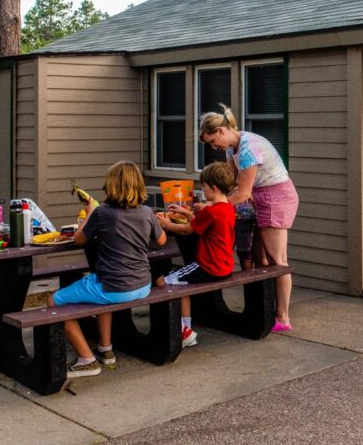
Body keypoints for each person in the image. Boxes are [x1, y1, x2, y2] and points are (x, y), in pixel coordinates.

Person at [48, 161, 166, 379]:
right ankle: (105, 349)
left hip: (115, 287)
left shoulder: (102, 213)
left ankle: (87, 360)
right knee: (101, 290)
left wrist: (89, 212)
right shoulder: (147, 212)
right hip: (142, 285)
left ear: (111, 186)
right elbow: (161, 239)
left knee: (54, 303)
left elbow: (78, 240)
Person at [199, 104, 298, 332]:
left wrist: (211, 205)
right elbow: (230, 184)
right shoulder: (232, 149)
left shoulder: (248, 149)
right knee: (259, 258)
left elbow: (242, 193)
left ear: (221, 131)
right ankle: (263, 311)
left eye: (213, 141)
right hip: (260, 198)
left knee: (278, 261)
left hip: (275, 197)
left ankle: (282, 318)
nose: (214, 147)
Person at [156, 161, 237, 347]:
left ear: (214, 188)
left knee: (162, 282)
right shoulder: (227, 209)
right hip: (224, 267)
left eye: (205, 186)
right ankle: (186, 329)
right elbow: (203, 223)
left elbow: (186, 230)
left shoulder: (212, 212)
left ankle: (184, 331)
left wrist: (167, 225)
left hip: (208, 266)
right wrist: (186, 212)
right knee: (181, 283)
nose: (203, 189)